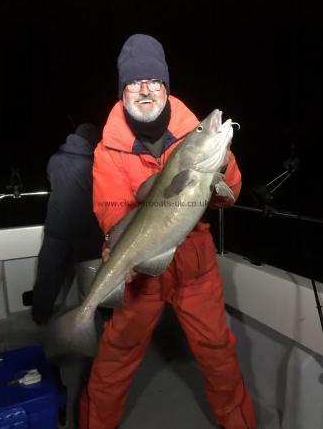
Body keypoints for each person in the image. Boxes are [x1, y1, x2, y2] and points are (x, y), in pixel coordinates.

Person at [79, 34, 257, 429]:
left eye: (154, 81)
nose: (146, 89)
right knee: (114, 360)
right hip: (140, 268)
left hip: (195, 264)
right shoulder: (108, 149)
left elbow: (228, 196)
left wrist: (222, 165)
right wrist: (116, 245)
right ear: (123, 90)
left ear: (166, 87)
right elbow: (110, 207)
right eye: (135, 82)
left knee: (218, 355)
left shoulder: (197, 135)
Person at [32, 123, 105, 325]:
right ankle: (101, 317)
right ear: (93, 142)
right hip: (86, 232)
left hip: (56, 229)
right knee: (92, 278)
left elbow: (51, 178)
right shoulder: (95, 164)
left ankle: (39, 317)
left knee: (47, 277)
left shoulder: (55, 160)